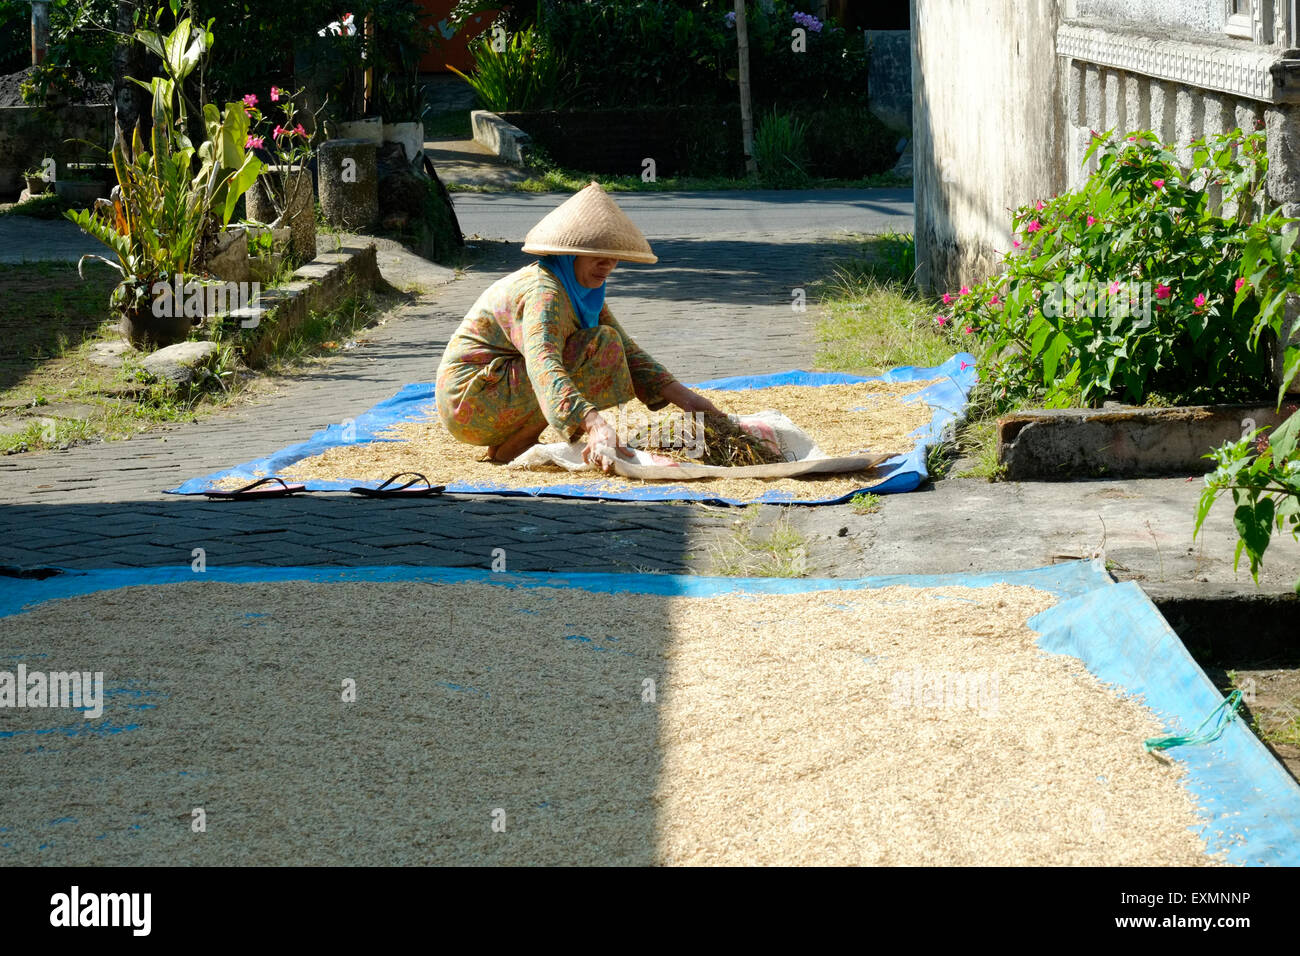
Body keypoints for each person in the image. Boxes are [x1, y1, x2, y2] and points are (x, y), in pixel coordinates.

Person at [436, 182, 720, 471]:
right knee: (599, 346)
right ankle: (518, 442)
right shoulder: (543, 292)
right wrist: (595, 426)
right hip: (470, 402)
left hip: (492, 394)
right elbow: (543, 364)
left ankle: (515, 438)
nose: (607, 264)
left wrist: (695, 404)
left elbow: (629, 352)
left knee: (608, 342)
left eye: (613, 256)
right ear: (570, 253)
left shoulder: (578, 289)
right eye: (596, 254)